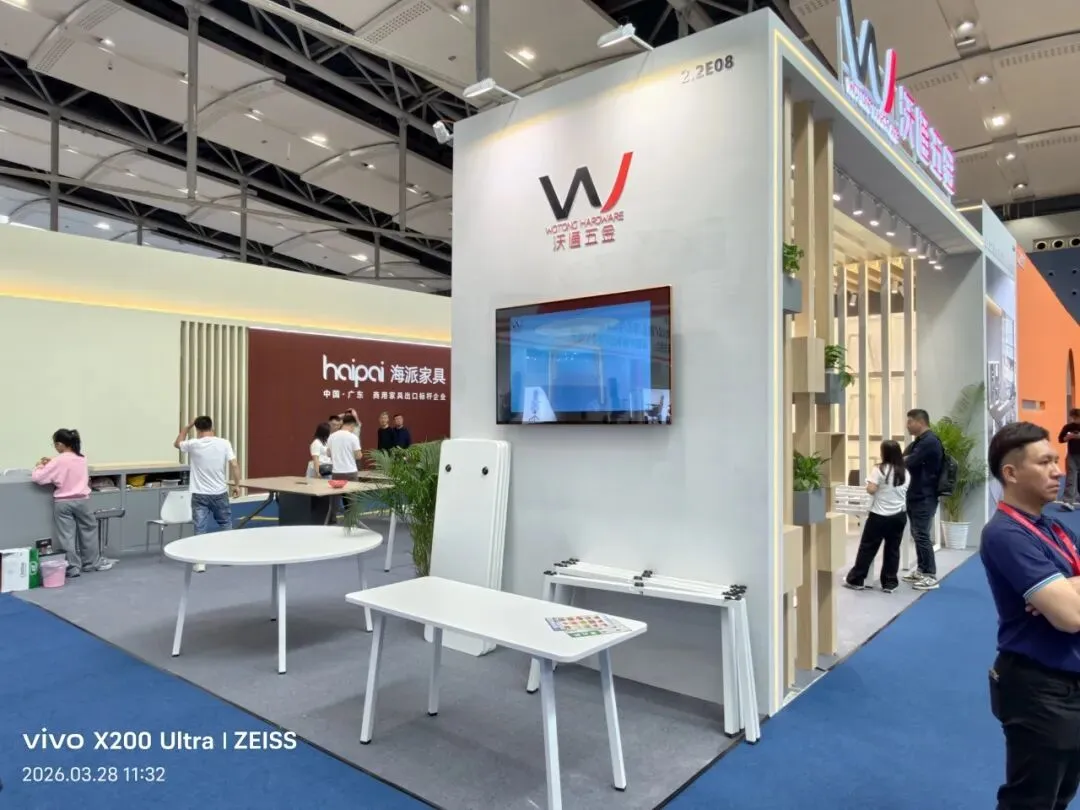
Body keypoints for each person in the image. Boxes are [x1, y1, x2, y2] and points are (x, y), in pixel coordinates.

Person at [980, 421, 1080, 810]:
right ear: (1011, 473)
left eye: (1056, 461)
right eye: (1045, 462)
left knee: (1062, 794)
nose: (1058, 471)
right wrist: (1065, 595)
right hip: (1039, 689)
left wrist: (1064, 588)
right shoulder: (1005, 533)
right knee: (1032, 801)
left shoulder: (1056, 529)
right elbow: (1070, 616)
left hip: (1070, 682)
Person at [31, 429, 114, 578]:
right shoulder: (82, 459)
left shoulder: (57, 461)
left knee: (67, 536)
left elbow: (39, 478)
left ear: (60, 444)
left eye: (55, 445)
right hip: (83, 501)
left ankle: (73, 567)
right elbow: (69, 466)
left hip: (63, 502)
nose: (55, 447)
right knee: (89, 532)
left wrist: (39, 466)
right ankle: (90, 563)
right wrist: (52, 462)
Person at [174, 416, 240, 572]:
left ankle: (200, 562)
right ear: (212, 427)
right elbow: (234, 464)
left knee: (200, 527)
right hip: (220, 492)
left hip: (199, 494)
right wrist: (237, 485)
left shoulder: (193, 444)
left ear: (197, 429)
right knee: (225, 523)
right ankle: (227, 557)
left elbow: (177, 443)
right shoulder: (224, 443)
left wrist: (187, 426)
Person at [845, 440, 909, 593]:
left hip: (879, 516)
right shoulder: (905, 473)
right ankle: (889, 583)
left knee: (867, 548)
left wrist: (870, 484)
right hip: (898, 516)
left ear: (884, 453)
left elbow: (871, 490)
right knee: (893, 549)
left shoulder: (879, 469)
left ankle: (857, 579)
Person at [902, 408, 945, 591]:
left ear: (920, 422)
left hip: (925, 495)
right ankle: (921, 570)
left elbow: (908, 461)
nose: (907, 425)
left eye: (910, 421)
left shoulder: (930, 441)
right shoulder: (920, 441)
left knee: (921, 534)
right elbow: (905, 457)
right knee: (917, 534)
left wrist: (905, 459)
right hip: (915, 494)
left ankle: (930, 575)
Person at [326, 413, 362, 481]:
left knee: (337, 488)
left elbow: (328, 454)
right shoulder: (353, 437)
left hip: (336, 472)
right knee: (352, 488)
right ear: (352, 425)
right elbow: (358, 456)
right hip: (350, 471)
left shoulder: (331, 436)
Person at [1059, 408, 1080, 508]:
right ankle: (1068, 501)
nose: (1075, 420)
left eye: (1077, 418)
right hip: (1072, 455)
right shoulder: (1068, 427)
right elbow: (1061, 439)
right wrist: (1068, 437)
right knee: (1071, 478)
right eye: (1073, 418)